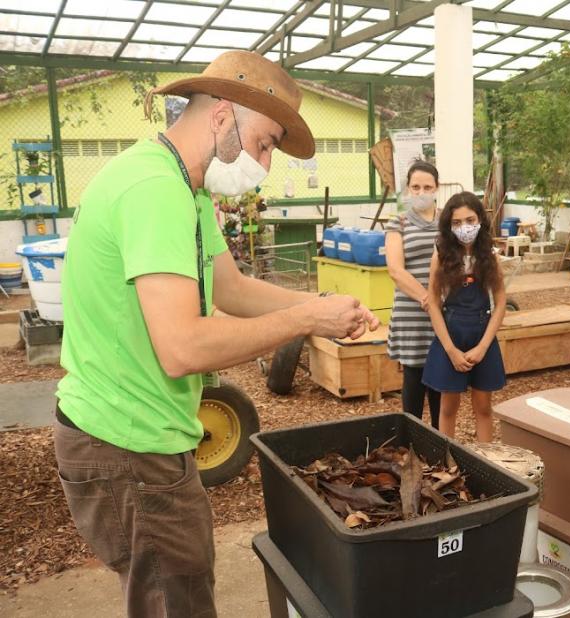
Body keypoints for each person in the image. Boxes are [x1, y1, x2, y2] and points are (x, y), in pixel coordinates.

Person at [53, 51, 378, 617]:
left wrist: (322, 304)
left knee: (174, 587)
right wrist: (305, 322)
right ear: (224, 116)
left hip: (147, 432)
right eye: (266, 143)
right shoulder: (153, 189)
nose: (266, 162)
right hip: (127, 443)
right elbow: (181, 349)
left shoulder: (188, 188)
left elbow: (229, 288)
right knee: (175, 600)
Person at [423, 192, 506, 441]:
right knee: (448, 408)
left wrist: (483, 347)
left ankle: (486, 463)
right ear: (449, 226)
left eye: (470, 220)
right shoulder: (440, 255)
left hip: (482, 334)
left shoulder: (489, 256)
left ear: (480, 219)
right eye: (457, 223)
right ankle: (446, 463)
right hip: (452, 335)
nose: (465, 228)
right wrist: (450, 350)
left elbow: (501, 303)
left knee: (483, 407)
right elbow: (434, 304)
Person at [385, 161, 443, 428]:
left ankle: (443, 443)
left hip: (444, 311)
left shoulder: (448, 221)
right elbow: (395, 270)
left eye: (427, 187)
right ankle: (413, 442)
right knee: (414, 377)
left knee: (443, 380)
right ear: (408, 190)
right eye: (416, 187)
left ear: (437, 189)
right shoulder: (398, 222)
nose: (422, 192)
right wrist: (427, 299)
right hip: (413, 313)